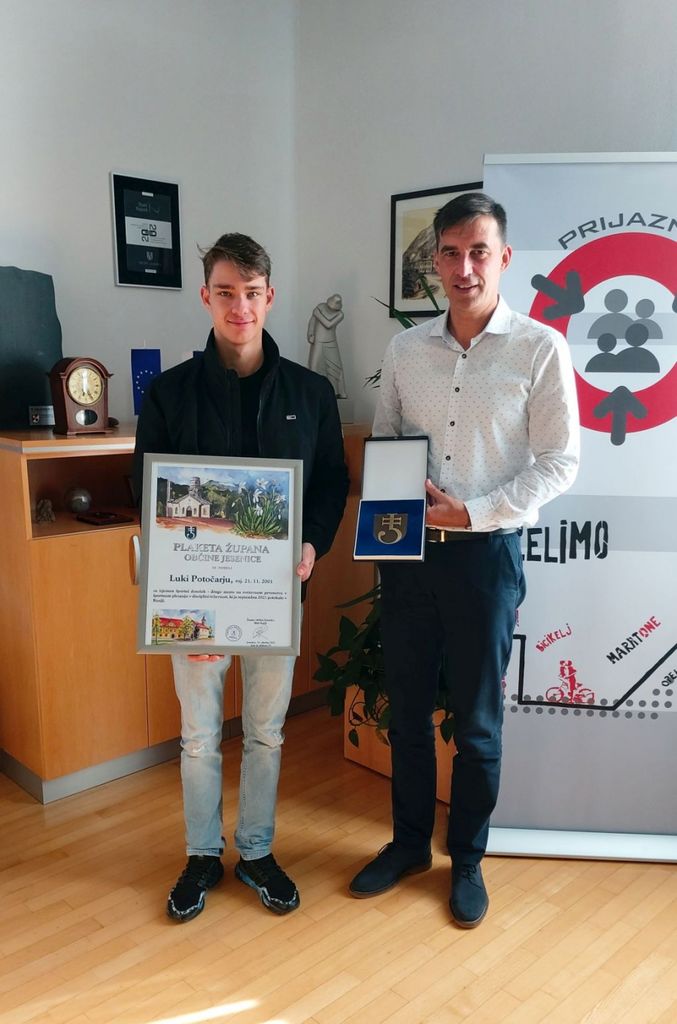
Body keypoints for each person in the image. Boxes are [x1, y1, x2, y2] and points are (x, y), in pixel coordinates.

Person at [349, 193, 580, 927]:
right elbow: (387, 446)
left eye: (478, 251)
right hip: (409, 560)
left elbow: (559, 462)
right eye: (449, 253)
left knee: (477, 724)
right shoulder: (405, 351)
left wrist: (473, 512)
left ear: (503, 258)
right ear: (435, 263)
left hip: (486, 559)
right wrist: (385, 527)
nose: (463, 267)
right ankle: (409, 846)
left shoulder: (539, 348)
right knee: (409, 713)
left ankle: (468, 859)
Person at [134, 233, 348, 922]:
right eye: (225, 292)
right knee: (199, 737)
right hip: (194, 605)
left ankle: (255, 851)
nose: (239, 307)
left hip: (276, 597)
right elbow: (149, 494)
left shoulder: (310, 393)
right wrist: (180, 606)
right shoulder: (169, 393)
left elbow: (331, 482)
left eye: (251, 293)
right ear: (206, 296)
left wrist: (312, 543)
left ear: (269, 297)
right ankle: (202, 854)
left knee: (265, 732)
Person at [307, 293, 347, 397]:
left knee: (336, 366)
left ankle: (339, 391)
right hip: (318, 341)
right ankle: (313, 389)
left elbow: (328, 324)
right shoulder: (321, 307)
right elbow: (312, 321)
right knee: (314, 365)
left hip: (331, 342)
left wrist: (317, 313)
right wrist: (310, 334)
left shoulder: (340, 314)